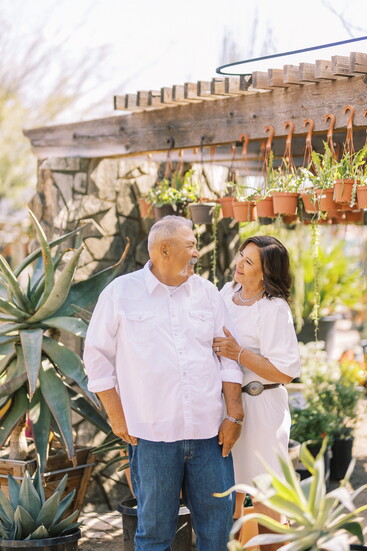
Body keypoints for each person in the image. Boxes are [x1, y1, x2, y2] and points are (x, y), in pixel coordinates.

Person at [84, 215, 244, 551]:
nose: (198, 253)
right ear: (165, 250)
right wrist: (116, 418)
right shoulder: (120, 293)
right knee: (154, 534)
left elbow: (228, 357)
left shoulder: (207, 293)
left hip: (209, 436)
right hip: (152, 437)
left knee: (217, 533)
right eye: (191, 246)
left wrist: (234, 415)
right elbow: (96, 361)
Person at [212, 235, 301, 551]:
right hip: (226, 406)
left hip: (263, 410)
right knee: (228, 490)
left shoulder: (274, 308)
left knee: (264, 491)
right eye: (240, 255)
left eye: (248, 261)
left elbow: (285, 372)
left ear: (265, 273)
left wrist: (239, 353)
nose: (239, 263)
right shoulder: (227, 292)